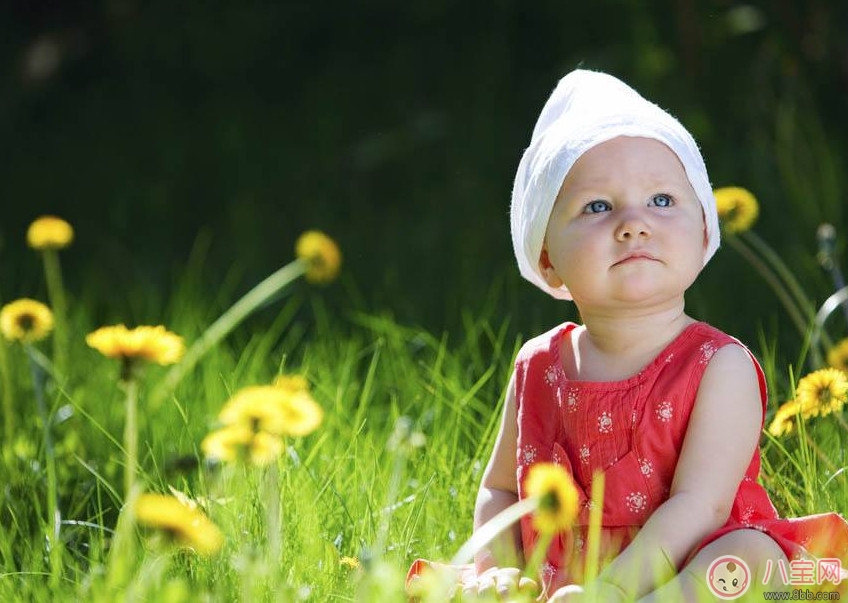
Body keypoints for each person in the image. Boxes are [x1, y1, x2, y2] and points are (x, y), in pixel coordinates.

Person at [406, 69, 848, 601]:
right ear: (548, 260)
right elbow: (501, 488)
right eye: (597, 207)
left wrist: (614, 590)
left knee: (748, 561)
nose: (634, 224)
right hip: (565, 582)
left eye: (662, 200)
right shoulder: (538, 366)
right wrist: (496, 567)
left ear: (705, 228)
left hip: (689, 569)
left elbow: (700, 505)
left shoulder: (718, 366)